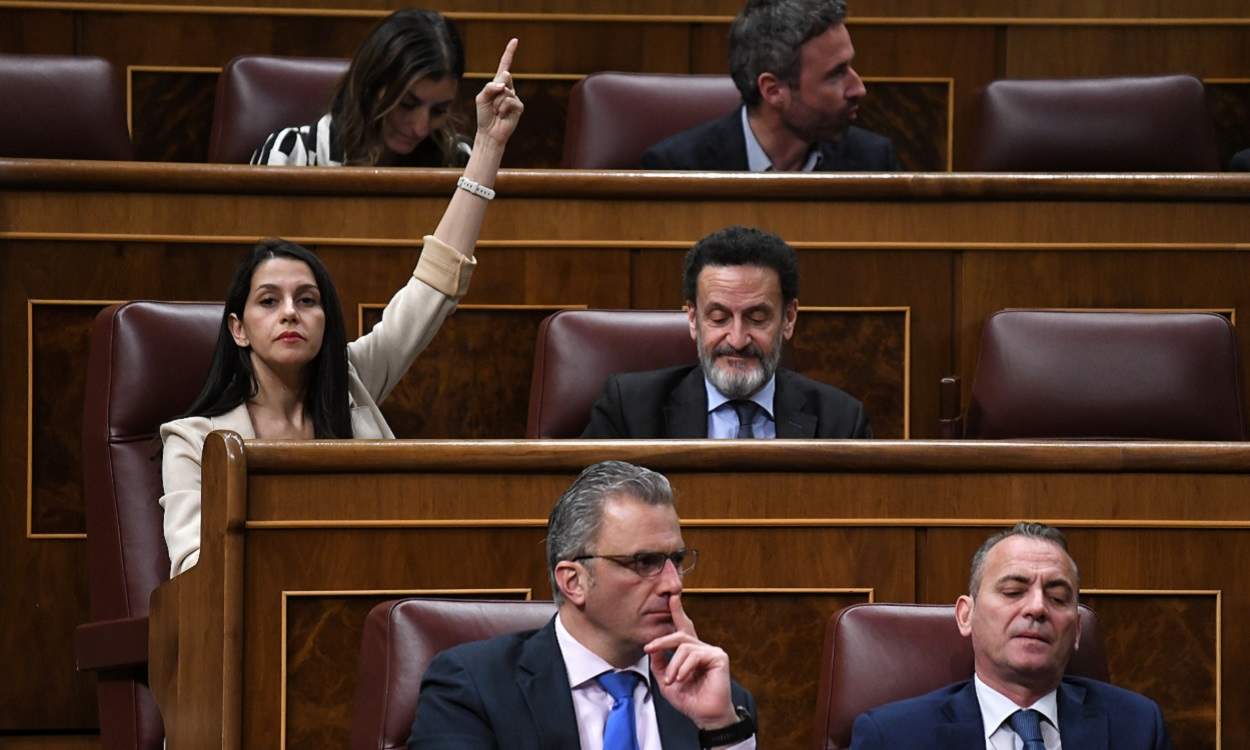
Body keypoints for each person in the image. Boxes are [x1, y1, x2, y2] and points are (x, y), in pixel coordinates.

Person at [159, 40, 523, 577]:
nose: (290, 313)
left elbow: (433, 285)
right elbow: (192, 570)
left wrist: (489, 145)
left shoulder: (353, 384)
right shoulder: (193, 441)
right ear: (238, 329)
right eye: (269, 301)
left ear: (327, 320)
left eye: (307, 301)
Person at [408, 460, 758, 749]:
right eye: (644, 562)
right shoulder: (475, 687)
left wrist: (721, 730)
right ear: (573, 582)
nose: (673, 584)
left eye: (676, 560)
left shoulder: (717, 699)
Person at [850, 522, 1172, 750]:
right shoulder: (892, 738)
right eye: (1013, 591)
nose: (1037, 608)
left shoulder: (1137, 727)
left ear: (1075, 629)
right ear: (966, 615)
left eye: (1058, 598)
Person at [582, 225, 871, 439]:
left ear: (789, 319)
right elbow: (587, 515)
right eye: (719, 318)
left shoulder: (842, 422)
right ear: (693, 319)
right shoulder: (629, 411)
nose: (737, 339)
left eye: (757, 319)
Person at [641, 0, 900, 172]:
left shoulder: (874, 161)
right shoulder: (678, 168)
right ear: (773, 90)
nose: (859, 89)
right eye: (836, 74)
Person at [252, 9, 469, 167]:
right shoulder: (290, 154)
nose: (420, 128)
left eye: (439, 111)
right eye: (406, 104)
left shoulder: (459, 161)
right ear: (370, 86)